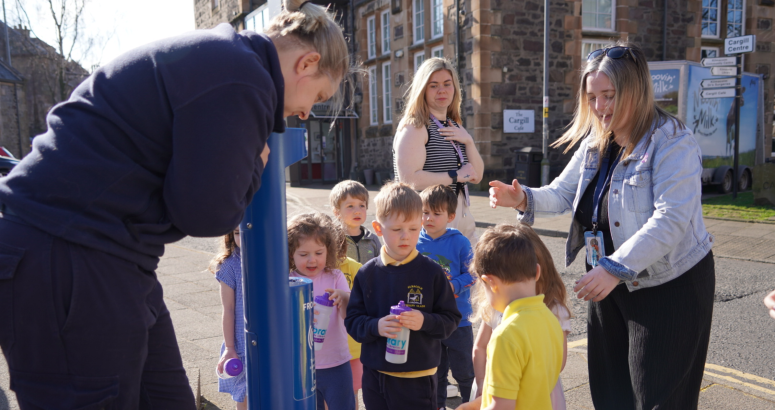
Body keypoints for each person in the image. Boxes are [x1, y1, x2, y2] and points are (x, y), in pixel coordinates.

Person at [0, 0, 351, 406]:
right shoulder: (244, 78)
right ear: (306, 63)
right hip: (67, 254)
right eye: (318, 96)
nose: (306, 113)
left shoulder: (226, 60)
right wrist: (254, 167)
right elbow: (207, 213)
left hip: (111, 254)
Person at [488, 43, 715, 409]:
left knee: (657, 398)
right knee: (611, 395)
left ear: (635, 90)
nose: (599, 107)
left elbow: (671, 218)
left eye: (609, 96)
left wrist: (613, 267)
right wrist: (523, 198)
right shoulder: (596, 142)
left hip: (667, 286)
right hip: (609, 285)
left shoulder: (673, 142)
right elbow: (561, 193)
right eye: (592, 97)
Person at [345, 181, 461, 410]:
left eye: (414, 229)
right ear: (378, 229)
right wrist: (376, 326)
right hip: (375, 377)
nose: (406, 236)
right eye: (397, 230)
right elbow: (352, 321)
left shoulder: (432, 272)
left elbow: (451, 320)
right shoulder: (367, 273)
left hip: (418, 379)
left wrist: (424, 321)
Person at [457, 224, 564, 410]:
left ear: (489, 282)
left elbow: (502, 407)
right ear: (537, 272)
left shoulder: (505, 336)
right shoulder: (550, 320)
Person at [393, 57, 484, 245]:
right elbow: (409, 179)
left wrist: (468, 141)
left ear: (455, 88)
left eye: (447, 84)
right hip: (430, 223)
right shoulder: (416, 126)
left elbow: (477, 175)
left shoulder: (453, 125)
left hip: (460, 215)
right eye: (433, 85)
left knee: (474, 272)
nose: (441, 90)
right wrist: (455, 175)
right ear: (423, 90)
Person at [416, 184, 476, 408]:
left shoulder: (459, 242)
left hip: (458, 320)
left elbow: (473, 273)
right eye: (424, 212)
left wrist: (454, 286)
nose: (429, 218)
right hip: (429, 321)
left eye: (436, 213)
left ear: (451, 216)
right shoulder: (414, 241)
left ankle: (471, 403)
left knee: (465, 371)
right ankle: (438, 405)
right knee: (435, 371)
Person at [288, 213, 355, 410]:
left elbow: (349, 315)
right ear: (291, 253)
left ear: (329, 250)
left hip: (337, 362)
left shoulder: (335, 276)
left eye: (319, 253)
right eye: (303, 254)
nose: (312, 260)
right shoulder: (289, 281)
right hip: (302, 365)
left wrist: (344, 298)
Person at [210, 229, 248, 410]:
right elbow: (228, 309)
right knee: (244, 394)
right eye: (237, 233)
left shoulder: (274, 259)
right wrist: (230, 348)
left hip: (270, 341)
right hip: (242, 343)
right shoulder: (230, 265)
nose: (243, 237)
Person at [330, 180, 381, 264]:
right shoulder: (333, 240)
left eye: (362, 205)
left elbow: (381, 266)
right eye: (350, 206)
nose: (358, 211)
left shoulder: (373, 240)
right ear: (337, 212)